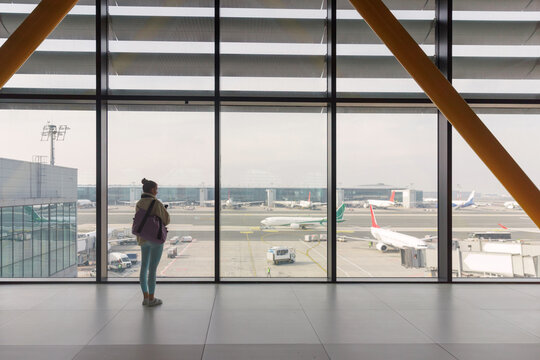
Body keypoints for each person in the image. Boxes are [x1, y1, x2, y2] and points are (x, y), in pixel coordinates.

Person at [136, 178, 170, 307]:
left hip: (143, 238)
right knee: (152, 269)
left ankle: (145, 298)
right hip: (155, 239)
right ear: (152, 190)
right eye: (156, 189)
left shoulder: (139, 203)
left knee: (143, 268)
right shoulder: (156, 203)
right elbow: (166, 220)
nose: (157, 191)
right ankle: (152, 298)